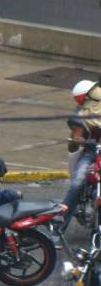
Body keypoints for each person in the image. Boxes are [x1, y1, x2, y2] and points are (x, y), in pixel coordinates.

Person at [56, 80, 101, 237]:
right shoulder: (80, 116)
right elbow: (74, 140)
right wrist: (78, 141)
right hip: (92, 153)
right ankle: (59, 228)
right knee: (77, 184)